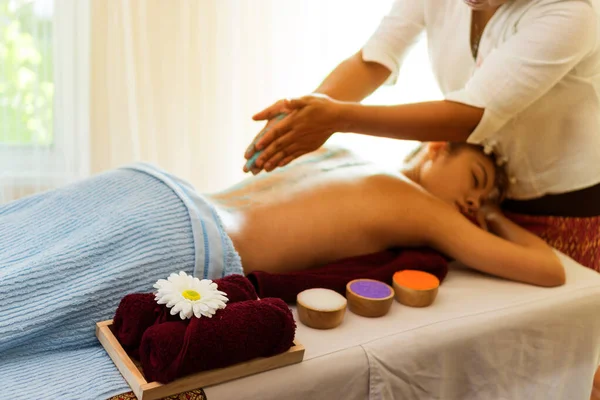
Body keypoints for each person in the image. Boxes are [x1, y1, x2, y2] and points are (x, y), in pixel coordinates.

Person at [242, 0, 600, 276]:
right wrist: (304, 117)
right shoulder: (415, 198)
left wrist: (336, 117)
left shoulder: (571, 11)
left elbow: (468, 115)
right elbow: (375, 58)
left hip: (564, 206)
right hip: (485, 194)